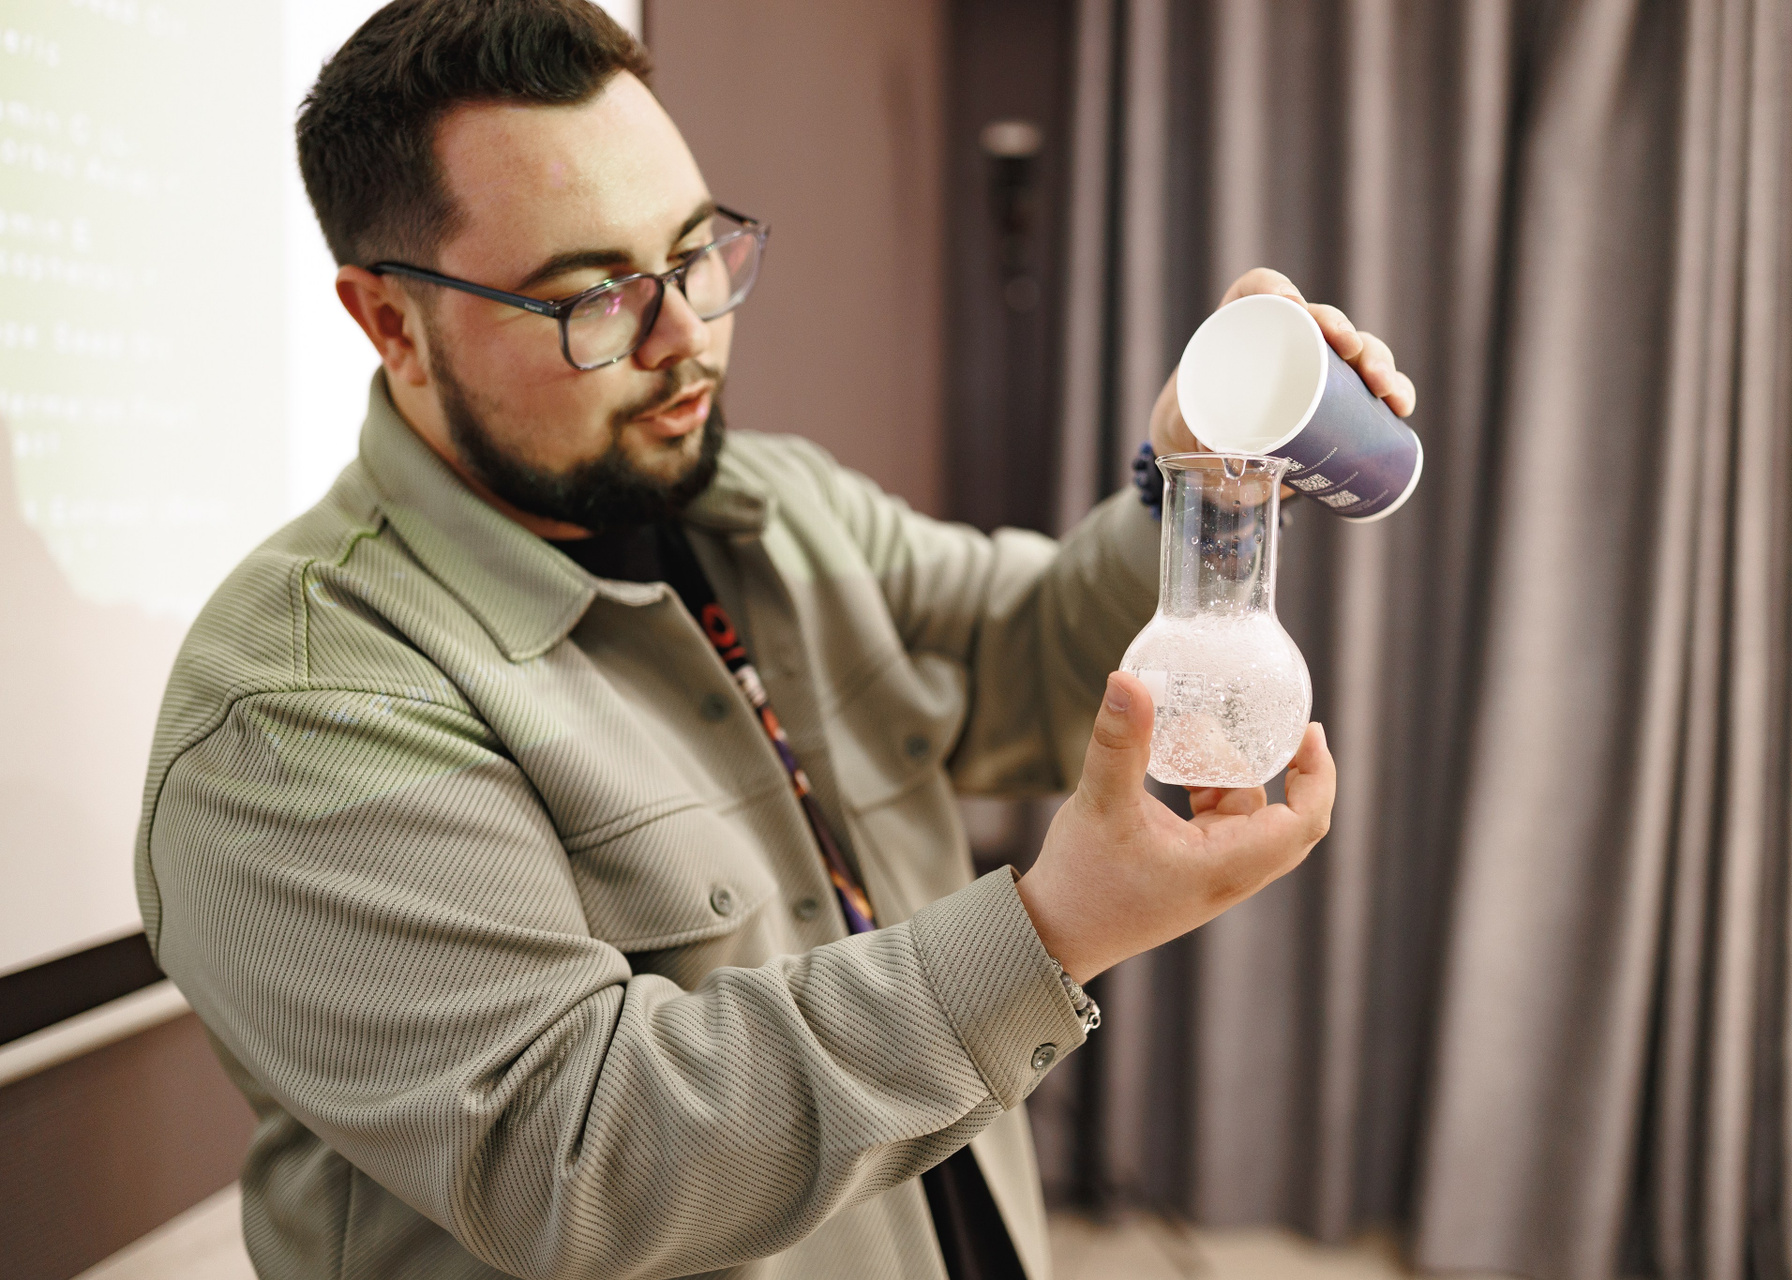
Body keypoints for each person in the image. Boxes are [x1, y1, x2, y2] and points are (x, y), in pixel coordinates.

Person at [134, 2, 1415, 1277]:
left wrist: (1192, 484)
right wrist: (1050, 929)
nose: (685, 336)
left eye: (698, 253)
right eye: (594, 298)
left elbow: (1029, 659)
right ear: (390, 323)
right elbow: (580, 1156)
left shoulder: (777, 504)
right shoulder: (299, 701)